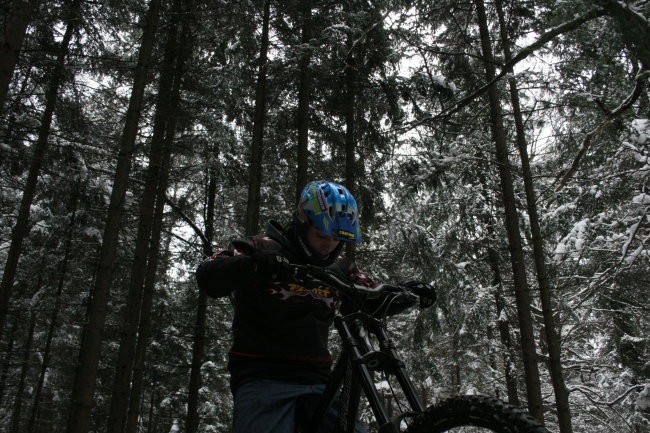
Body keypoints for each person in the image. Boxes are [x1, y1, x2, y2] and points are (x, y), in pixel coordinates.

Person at [196, 180, 436, 433]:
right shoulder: (262, 247)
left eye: (336, 238)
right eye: (321, 235)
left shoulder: (341, 268)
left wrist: (406, 295)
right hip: (262, 376)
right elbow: (208, 275)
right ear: (303, 222)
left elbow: (369, 301)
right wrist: (253, 265)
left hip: (320, 382)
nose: (328, 245)